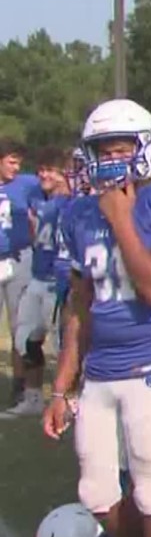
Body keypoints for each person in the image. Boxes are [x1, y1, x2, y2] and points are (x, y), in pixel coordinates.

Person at [42, 98, 151, 537]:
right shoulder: (78, 214)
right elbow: (81, 307)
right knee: (96, 492)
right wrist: (61, 387)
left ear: (148, 147)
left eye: (121, 148)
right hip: (101, 370)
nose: (111, 160)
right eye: (102, 150)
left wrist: (120, 220)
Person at [2, 146, 73, 417]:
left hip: (57, 281)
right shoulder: (41, 200)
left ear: (64, 174)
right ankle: (32, 398)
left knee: (63, 346)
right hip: (37, 276)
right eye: (41, 169)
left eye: (49, 170)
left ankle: (66, 399)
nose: (42, 174)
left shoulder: (74, 204)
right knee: (26, 340)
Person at [0, 137, 43, 408]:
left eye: (19, 162)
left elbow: (55, 188)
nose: (16, 167)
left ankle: (19, 387)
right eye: (11, 161)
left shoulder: (27, 184)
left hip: (19, 258)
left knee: (21, 326)